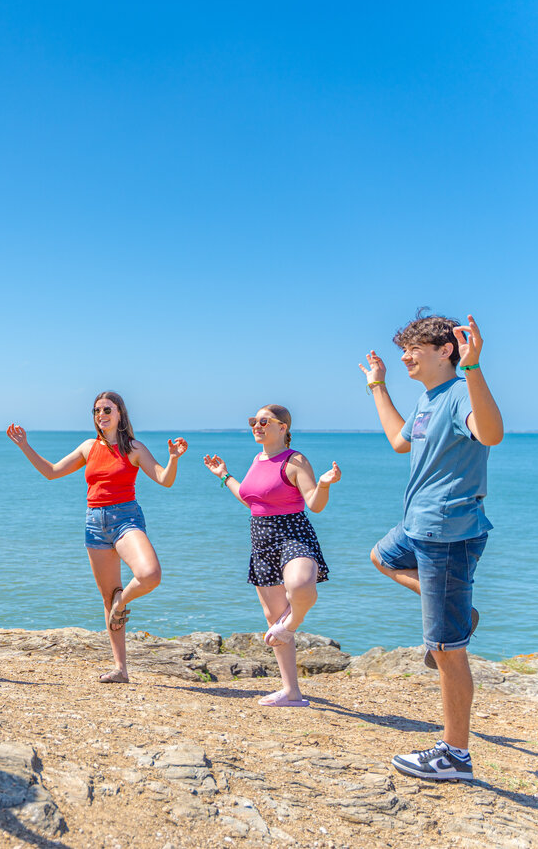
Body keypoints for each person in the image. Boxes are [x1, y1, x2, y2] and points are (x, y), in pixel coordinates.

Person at [361, 312, 502, 782]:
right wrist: (377, 386)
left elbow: (491, 434)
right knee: (382, 556)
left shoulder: (461, 391)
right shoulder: (429, 398)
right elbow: (400, 442)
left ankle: (455, 756)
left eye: (413, 349)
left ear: (446, 351)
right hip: (417, 527)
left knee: (444, 648)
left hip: (447, 533)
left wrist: (475, 367)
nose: (404, 356)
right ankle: (453, 612)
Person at [7, 392, 187, 683]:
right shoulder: (88, 447)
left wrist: (173, 458)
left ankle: (122, 601)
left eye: (107, 409)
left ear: (119, 414)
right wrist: (25, 446)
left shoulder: (134, 449)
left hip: (126, 519)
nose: (100, 414)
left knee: (149, 574)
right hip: (94, 523)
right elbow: (51, 472)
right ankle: (120, 668)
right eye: (96, 410)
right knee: (107, 596)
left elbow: (165, 480)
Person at [203, 405, 341, 707]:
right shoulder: (258, 459)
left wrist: (325, 484)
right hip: (261, 539)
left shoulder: (294, 460)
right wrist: (224, 475)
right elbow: (252, 500)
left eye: (264, 421)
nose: (257, 426)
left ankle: (291, 624)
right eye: (254, 421)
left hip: (293, 533)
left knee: (302, 585)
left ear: (283, 427)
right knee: (274, 617)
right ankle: (291, 691)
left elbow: (314, 504)